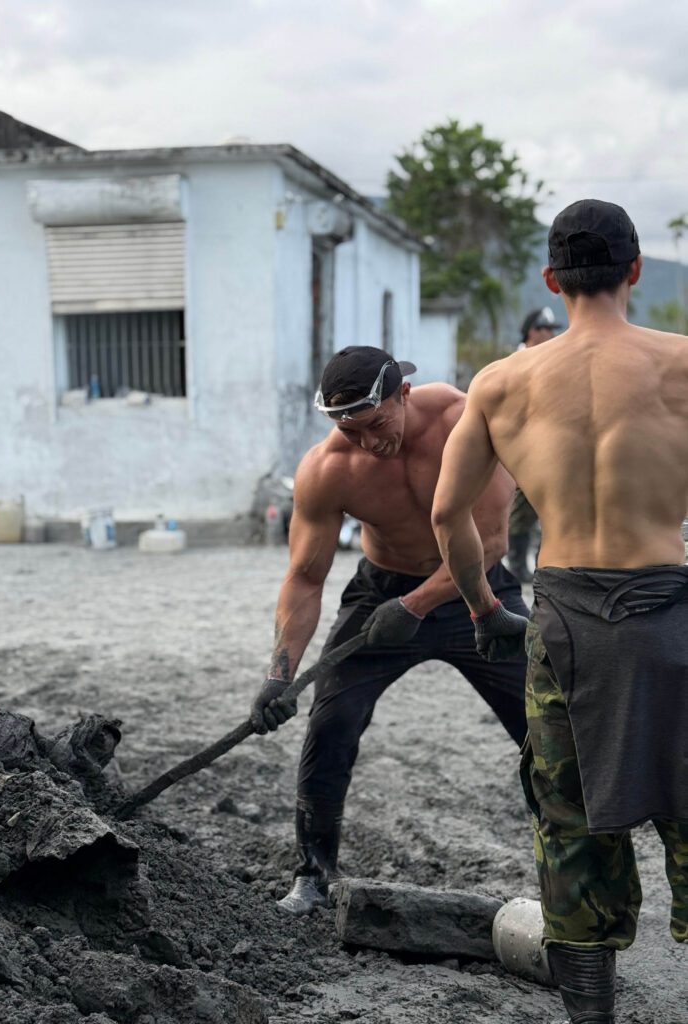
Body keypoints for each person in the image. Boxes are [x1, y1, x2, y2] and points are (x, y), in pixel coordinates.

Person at [431, 199, 688, 1024]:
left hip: (565, 625)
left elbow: (449, 517)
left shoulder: (502, 383)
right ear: (635, 272)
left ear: (551, 280)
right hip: (673, 612)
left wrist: (482, 607)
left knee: (570, 828)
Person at [250, 345, 530, 916]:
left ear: (403, 393)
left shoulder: (463, 422)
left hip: (477, 591)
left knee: (542, 725)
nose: (369, 443)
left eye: (377, 424)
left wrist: (418, 604)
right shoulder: (328, 469)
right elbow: (305, 579)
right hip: (381, 594)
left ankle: (579, 870)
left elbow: (493, 541)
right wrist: (279, 673)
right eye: (352, 432)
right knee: (330, 723)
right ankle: (313, 874)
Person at [507, 307, 562, 581]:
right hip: (523, 449)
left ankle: (545, 567)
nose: (551, 335)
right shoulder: (515, 364)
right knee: (520, 512)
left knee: (551, 511)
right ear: (532, 332)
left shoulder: (550, 361)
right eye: (547, 329)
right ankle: (517, 567)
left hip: (550, 447)